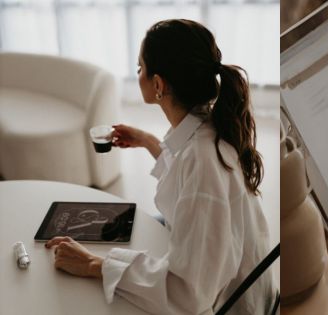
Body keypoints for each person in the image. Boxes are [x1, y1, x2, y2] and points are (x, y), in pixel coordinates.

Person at [45, 19, 276, 314]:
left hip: (229, 305)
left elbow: (187, 294)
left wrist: (94, 264)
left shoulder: (202, 160)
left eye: (140, 68)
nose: (137, 73)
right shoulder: (210, 128)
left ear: (158, 84)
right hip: (229, 283)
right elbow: (187, 181)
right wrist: (149, 142)